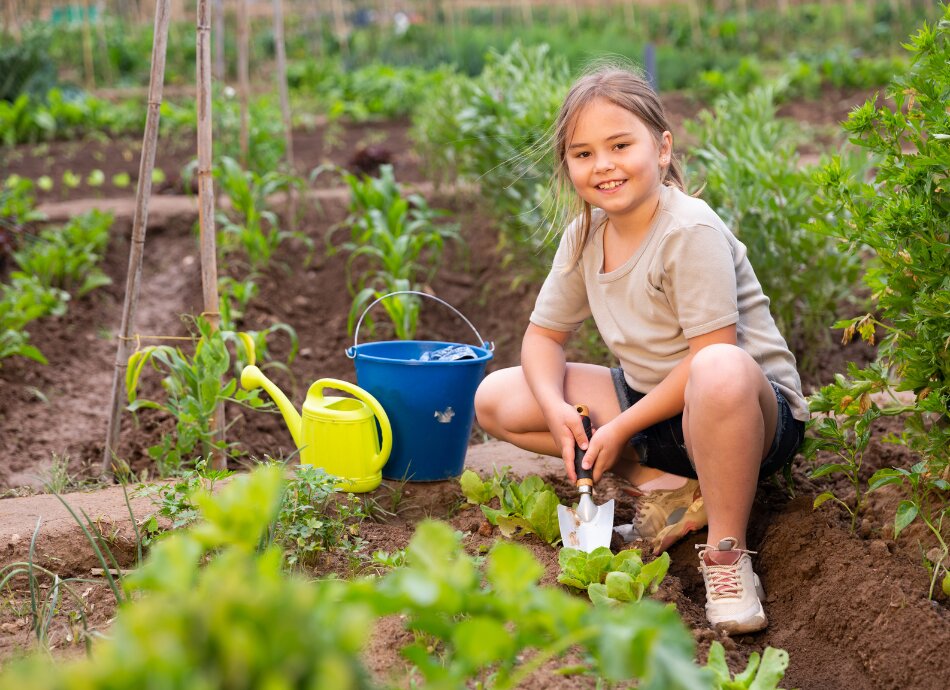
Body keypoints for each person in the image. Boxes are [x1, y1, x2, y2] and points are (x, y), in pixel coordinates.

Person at [473, 65, 807, 634]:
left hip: (746, 413)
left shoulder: (688, 231)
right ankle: (676, 491)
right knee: (498, 397)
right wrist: (556, 410)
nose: (602, 164)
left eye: (620, 145)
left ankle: (728, 553)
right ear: (569, 167)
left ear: (661, 147)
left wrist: (620, 427)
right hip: (656, 404)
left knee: (719, 369)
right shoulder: (585, 235)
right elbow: (542, 337)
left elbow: (713, 355)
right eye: (582, 154)